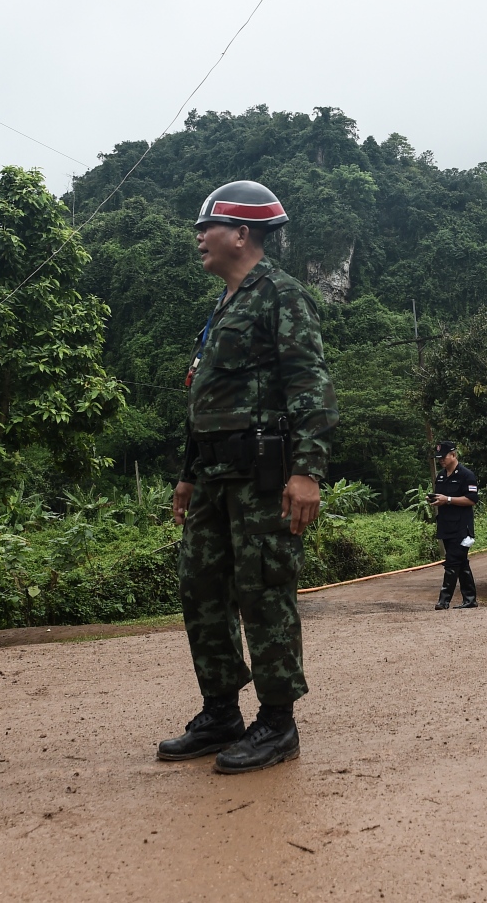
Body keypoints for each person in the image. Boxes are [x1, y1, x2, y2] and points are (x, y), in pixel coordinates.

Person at [160, 180, 338, 775]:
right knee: (201, 589)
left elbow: (310, 384)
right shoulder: (224, 306)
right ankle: (220, 712)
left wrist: (307, 471)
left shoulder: (282, 296)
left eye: (206, 227)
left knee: (263, 590)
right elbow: (204, 400)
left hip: (261, 477)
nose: (198, 237)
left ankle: (278, 721)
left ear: (241, 234)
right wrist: (188, 475)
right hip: (212, 479)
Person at [430, 441, 480, 609]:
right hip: (446, 526)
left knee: (452, 562)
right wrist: (436, 500)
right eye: (439, 458)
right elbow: (442, 497)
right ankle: (470, 599)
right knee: (461, 563)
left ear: (453, 454)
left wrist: (448, 499)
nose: (441, 460)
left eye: (443, 457)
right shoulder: (441, 476)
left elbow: (472, 499)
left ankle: (443, 601)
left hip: (461, 528)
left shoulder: (466, 475)